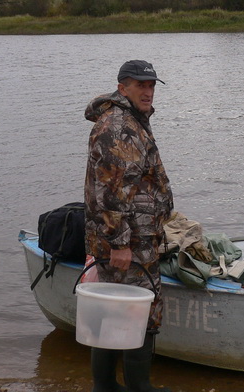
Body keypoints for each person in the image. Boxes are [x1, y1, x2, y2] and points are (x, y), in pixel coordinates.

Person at [84, 59, 174, 392]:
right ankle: (132, 387)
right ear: (123, 88)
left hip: (138, 238)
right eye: (140, 85)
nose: (148, 92)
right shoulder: (118, 126)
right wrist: (119, 243)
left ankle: (106, 386)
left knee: (113, 311)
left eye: (151, 85)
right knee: (139, 313)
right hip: (128, 244)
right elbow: (108, 189)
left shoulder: (132, 120)